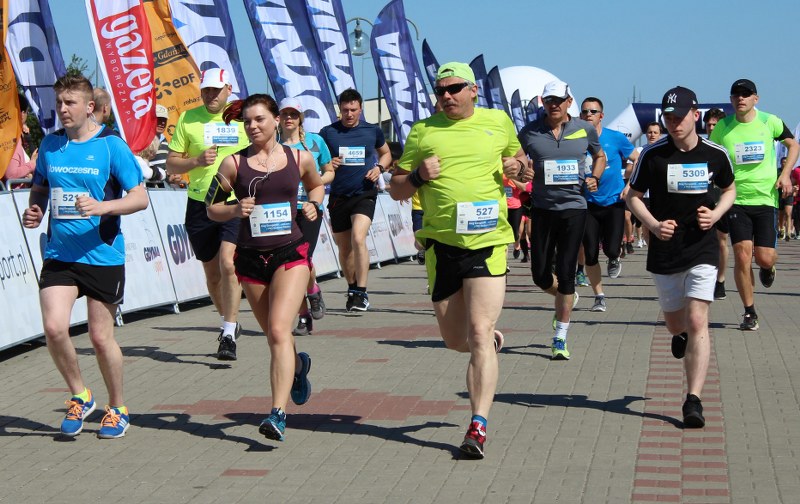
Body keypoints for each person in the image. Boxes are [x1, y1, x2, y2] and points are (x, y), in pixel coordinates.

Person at [392, 62, 531, 459]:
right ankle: (487, 341)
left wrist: (518, 166)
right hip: (442, 245)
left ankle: (477, 425)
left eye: (454, 88)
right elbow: (397, 189)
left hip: (488, 241)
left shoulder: (498, 122)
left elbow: (523, 165)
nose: (447, 95)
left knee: (479, 331)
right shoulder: (423, 131)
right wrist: (418, 176)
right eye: (441, 90)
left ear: (473, 90)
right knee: (456, 341)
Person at [22, 74, 149, 438]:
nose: (62, 109)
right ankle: (80, 394)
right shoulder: (50, 145)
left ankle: (118, 408)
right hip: (60, 253)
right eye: (59, 103)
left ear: (89, 106)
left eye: (70, 103)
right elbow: (40, 188)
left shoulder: (111, 145)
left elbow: (140, 198)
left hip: (102, 254)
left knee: (99, 338)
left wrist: (102, 206)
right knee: (53, 328)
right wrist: (35, 210)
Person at [207, 93, 324, 442]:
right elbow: (211, 208)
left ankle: (277, 414)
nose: (253, 126)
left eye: (259, 119)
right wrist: (234, 210)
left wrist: (313, 204)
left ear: (275, 120)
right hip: (251, 258)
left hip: (290, 253)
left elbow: (316, 185)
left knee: (277, 329)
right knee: (278, 338)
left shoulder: (300, 157)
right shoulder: (233, 164)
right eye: (247, 121)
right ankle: (299, 366)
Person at [627, 86, 735, 428]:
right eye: (669, 117)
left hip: (702, 246)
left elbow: (730, 189)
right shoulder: (653, 154)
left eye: (680, 116)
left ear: (695, 115)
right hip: (666, 248)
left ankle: (693, 400)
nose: (674, 123)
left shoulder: (716, 154)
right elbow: (632, 196)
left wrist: (715, 214)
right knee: (677, 324)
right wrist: (654, 225)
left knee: (698, 320)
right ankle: (680, 335)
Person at [518, 80, 606, 360]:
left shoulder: (584, 129)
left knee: (567, 272)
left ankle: (560, 336)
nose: (553, 104)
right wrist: (521, 172)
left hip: (574, 208)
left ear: (569, 101)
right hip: (543, 209)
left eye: (558, 99)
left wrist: (595, 177)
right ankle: (566, 297)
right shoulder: (530, 131)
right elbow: (515, 160)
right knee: (540, 275)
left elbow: (599, 155)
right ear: (542, 102)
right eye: (549, 100)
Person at [166, 69, 250, 358]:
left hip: (231, 201)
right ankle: (228, 321)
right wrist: (195, 161)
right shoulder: (188, 119)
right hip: (199, 203)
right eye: (206, 90)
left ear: (228, 89)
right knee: (212, 275)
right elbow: (171, 164)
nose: (211, 95)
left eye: (216, 90)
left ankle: (228, 333)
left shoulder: (241, 117)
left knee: (228, 264)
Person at [709, 79, 800, 330]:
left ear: (755, 99)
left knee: (765, 258)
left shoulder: (770, 121)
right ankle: (749, 312)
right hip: (736, 199)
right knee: (742, 255)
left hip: (765, 199)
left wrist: (785, 174)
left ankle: (768, 268)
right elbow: (710, 155)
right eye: (736, 94)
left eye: (746, 94)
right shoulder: (723, 127)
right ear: (731, 100)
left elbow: (793, 145)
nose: (741, 98)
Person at [319, 89, 392, 312]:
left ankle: (361, 292)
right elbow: (319, 160)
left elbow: (386, 154)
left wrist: (379, 168)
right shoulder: (328, 132)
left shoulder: (372, 131)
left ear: (360, 109)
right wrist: (329, 163)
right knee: (344, 248)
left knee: (358, 238)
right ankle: (351, 287)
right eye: (345, 110)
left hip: (364, 193)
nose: (349, 114)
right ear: (339, 110)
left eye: (353, 109)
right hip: (339, 196)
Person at [276, 97, 335, 336]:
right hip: (282, 210)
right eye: (285, 114)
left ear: (300, 118)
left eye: (293, 114)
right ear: (278, 118)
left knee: (303, 259)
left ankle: (312, 290)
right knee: (289, 264)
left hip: (310, 208)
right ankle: (302, 316)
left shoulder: (315, 142)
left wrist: (315, 183)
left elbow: (329, 171)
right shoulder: (273, 144)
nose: (289, 118)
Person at [578, 97, 638, 313]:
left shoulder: (615, 138)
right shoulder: (575, 140)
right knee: (590, 253)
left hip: (613, 202)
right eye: (585, 111)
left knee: (612, 248)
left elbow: (637, 159)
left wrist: (630, 185)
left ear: (601, 115)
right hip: (588, 203)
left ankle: (614, 257)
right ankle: (599, 296)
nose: (588, 115)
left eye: (593, 111)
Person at [703, 108, 730, 300]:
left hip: (721, 197)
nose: (711, 128)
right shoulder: (700, 146)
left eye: (715, 124)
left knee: (721, 239)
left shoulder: (726, 147)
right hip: (703, 196)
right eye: (709, 124)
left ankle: (720, 280)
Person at [3, 94, 38, 183]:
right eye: (27, 112)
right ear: (22, 113)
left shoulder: (11, 135)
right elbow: (11, 174)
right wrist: (32, 164)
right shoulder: (11, 138)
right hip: (13, 191)